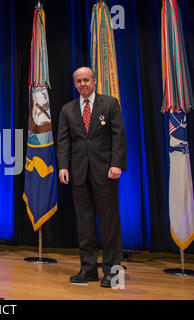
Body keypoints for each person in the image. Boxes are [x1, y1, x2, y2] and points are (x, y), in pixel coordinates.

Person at [57, 67, 127, 288]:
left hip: (105, 172)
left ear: (94, 81)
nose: (82, 84)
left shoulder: (110, 104)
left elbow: (118, 137)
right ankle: (88, 269)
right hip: (78, 173)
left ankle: (113, 273)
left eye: (86, 80)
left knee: (109, 225)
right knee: (85, 225)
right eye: (78, 81)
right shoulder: (67, 109)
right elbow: (63, 141)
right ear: (75, 84)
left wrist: (117, 164)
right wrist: (62, 167)